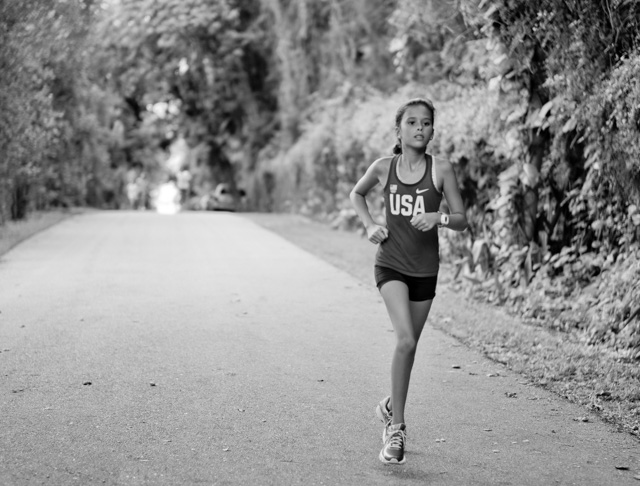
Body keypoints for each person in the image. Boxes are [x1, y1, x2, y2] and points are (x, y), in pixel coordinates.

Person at [349, 98, 468, 465]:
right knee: (404, 339)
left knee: (410, 346)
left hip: (426, 270)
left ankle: (389, 404)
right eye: (412, 122)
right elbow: (357, 193)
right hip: (391, 265)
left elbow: (462, 218)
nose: (420, 128)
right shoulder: (384, 168)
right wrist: (370, 225)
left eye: (426, 123)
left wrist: (439, 219)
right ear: (398, 130)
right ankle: (396, 429)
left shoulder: (441, 170)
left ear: (432, 130)